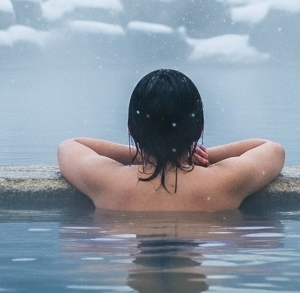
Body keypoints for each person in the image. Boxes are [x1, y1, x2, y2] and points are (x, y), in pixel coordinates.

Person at [57, 68, 285, 212]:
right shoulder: (223, 182)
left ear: (132, 130)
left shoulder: (109, 182)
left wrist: (143, 153)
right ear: (199, 129)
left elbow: (69, 146)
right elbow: (272, 149)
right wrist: (195, 154)